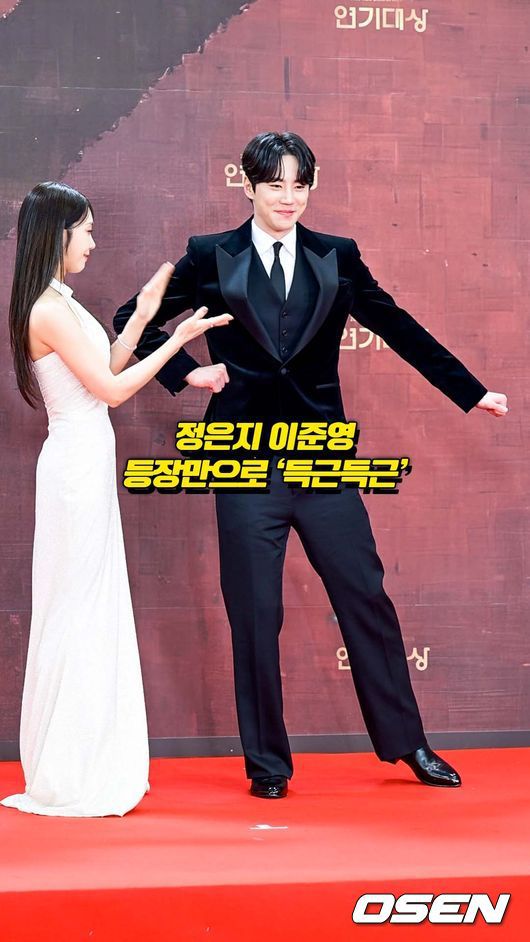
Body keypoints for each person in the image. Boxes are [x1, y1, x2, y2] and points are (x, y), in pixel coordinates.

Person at [114, 132, 508, 799]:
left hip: (322, 462)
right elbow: (133, 317)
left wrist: (470, 392)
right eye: (276, 185)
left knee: (365, 595)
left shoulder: (336, 254)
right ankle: (267, 764)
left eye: (300, 185)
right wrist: (186, 374)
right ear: (248, 186)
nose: (289, 198)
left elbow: (397, 325)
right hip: (242, 464)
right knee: (255, 612)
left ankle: (408, 742)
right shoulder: (210, 255)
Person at [1, 181, 232, 816]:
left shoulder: (59, 301)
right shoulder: (47, 309)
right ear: (58, 233)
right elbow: (109, 390)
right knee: (76, 606)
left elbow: (104, 365)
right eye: (86, 231)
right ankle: (71, 770)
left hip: (86, 464)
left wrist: (145, 316)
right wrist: (178, 341)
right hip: (74, 469)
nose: (93, 242)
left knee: (90, 602)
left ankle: (90, 760)